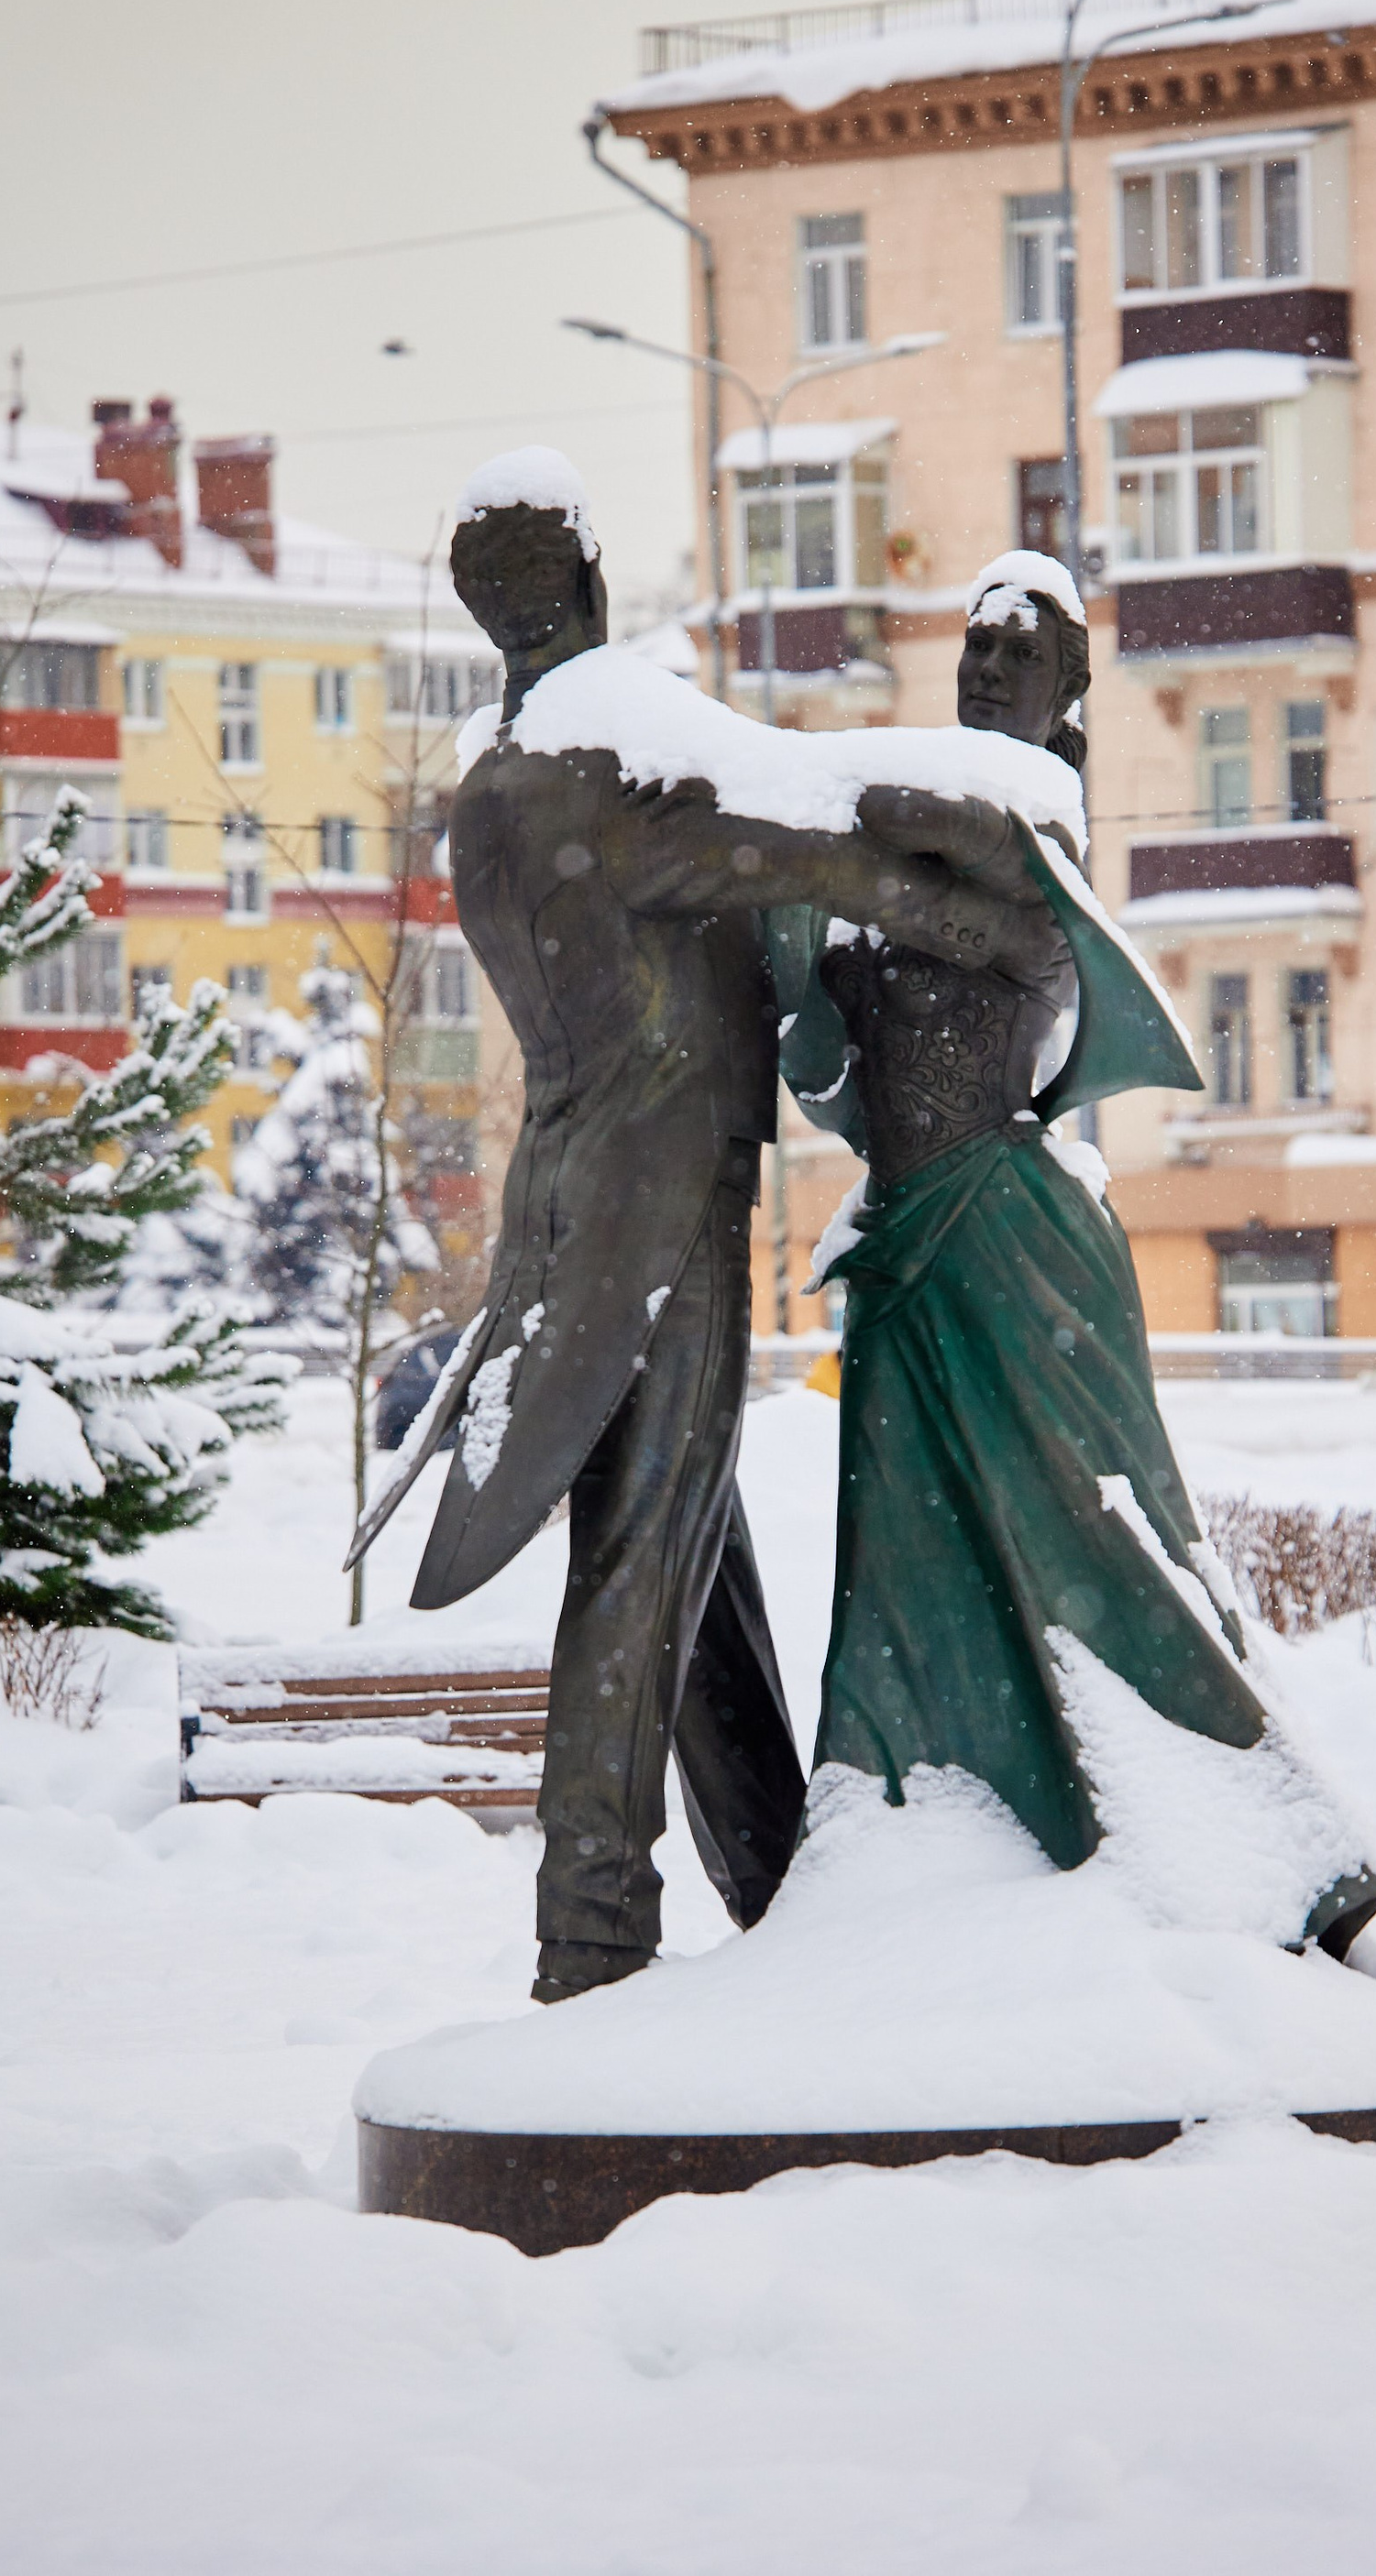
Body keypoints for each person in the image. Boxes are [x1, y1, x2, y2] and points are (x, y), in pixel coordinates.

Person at [347, 456, 1060, 2002]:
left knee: (692, 1567)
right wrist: (1005, 923)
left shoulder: (503, 781)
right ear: (593, 586)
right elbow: (824, 843)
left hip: (586, 1211)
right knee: (640, 1568)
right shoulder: (602, 767)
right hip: (661, 1211)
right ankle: (594, 1937)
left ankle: (778, 1888)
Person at [802, 551, 1376, 1957]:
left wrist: (779, 810)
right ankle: (904, 1834)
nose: (989, 663)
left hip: (1014, 1239)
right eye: (977, 641)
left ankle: (1260, 1844)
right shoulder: (891, 842)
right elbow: (827, 1017)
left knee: (1095, 1551)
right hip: (905, 1253)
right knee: (900, 1564)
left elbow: (917, 860)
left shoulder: (1033, 813)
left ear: (1069, 689)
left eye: (1023, 648)